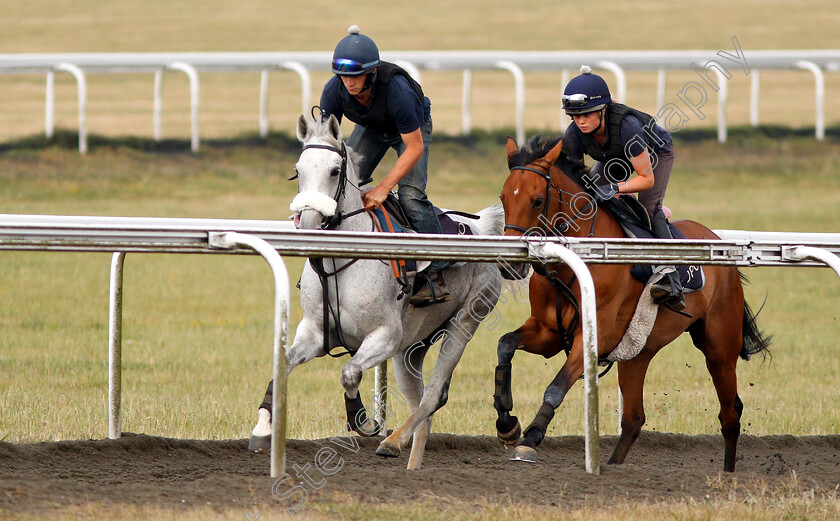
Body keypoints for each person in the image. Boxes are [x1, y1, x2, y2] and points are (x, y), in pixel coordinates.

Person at [319, 25, 449, 307]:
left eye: (355, 76)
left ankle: (437, 271)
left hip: (413, 130)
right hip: (371, 127)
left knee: (411, 196)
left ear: (372, 73)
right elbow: (325, 143)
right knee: (343, 183)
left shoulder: (398, 92)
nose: (349, 83)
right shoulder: (333, 90)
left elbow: (414, 147)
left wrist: (383, 188)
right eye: (343, 76)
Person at [561, 65, 685, 311]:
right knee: (589, 200)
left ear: (603, 110)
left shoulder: (628, 128)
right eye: (575, 116)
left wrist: (617, 187)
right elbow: (576, 182)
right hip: (613, 156)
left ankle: (671, 276)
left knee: (650, 209)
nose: (580, 121)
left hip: (654, 155)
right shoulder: (574, 133)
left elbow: (646, 179)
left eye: (586, 114)